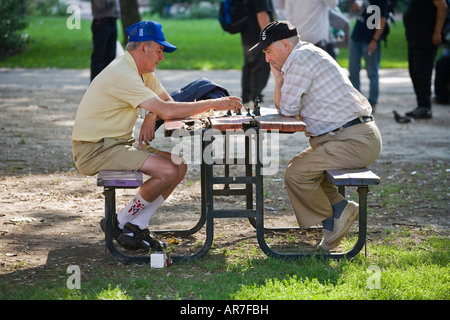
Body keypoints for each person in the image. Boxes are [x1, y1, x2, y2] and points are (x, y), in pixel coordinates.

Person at [72, 21, 242, 251]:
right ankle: (120, 222)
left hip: (117, 144)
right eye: (159, 50)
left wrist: (153, 114)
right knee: (168, 170)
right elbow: (169, 110)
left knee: (178, 165)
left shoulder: (142, 73)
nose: (162, 57)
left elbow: (167, 105)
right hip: (95, 150)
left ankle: (138, 223)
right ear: (143, 47)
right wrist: (214, 103)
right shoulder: (123, 74)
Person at [250, 21, 382, 251]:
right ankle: (338, 211)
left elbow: (287, 111)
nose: (267, 59)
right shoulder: (304, 54)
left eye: (268, 51)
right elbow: (286, 110)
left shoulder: (299, 59)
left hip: (353, 140)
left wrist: (279, 79)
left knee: (296, 174)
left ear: (284, 45)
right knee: (298, 166)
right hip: (346, 137)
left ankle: (335, 216)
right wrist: (280, 78)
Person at [403, 0, 448, 119]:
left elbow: (442, 6)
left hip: (426, 37)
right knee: (414, 71)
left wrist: (437, 32)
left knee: (422, 72)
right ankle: (421, 105)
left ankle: (425, 107)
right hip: (414, 38)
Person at [348, 0, 388, 112]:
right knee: (353, 71)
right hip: (356, 36)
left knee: (372, 72)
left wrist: (375, 39)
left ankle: (372, 102)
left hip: (370, 39)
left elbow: (383, 19)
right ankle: (356, 101)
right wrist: (356, 8)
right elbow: (361, 13)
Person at [240, 0, 275, 108]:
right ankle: (256, 100)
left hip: (247, 34)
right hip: (258, 36)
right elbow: (261, 14)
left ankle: (247, 99)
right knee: (260, 66)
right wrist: (269, 38)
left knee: (249, 66)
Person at [90, 0, 120, 81]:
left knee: (110, 56)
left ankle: (106, 84)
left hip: (112, 22)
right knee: (99, 56)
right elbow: (101, 4)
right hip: (101, 23)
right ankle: (95, 84)